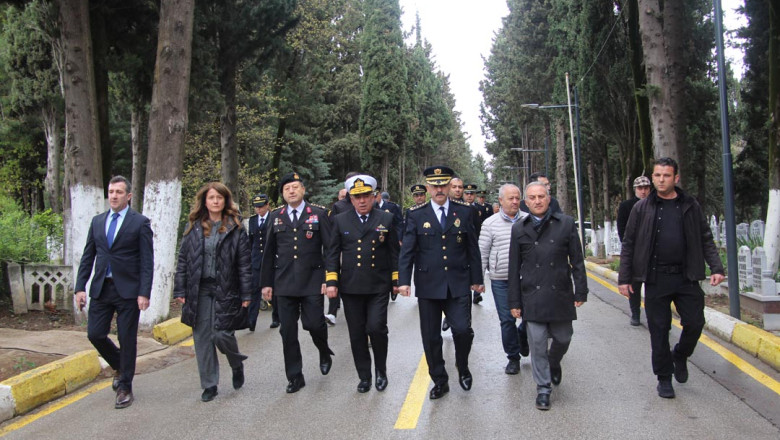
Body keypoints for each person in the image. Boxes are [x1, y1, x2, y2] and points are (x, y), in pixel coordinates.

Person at [618, 157, 724, 399]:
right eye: (657, 175)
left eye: (666, 175)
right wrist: (625, 279)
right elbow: (629, 244)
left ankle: (681, 355)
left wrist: (716, 267)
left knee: (695, 323)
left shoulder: (690, 205)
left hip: (686, 277)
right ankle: (664, 378)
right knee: (659, 329)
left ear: (676, 178)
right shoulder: (641, 208)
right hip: (656, 279)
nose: (661, 180)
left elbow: (705, 237)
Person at [398, 165, 484, 400]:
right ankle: (439, 379)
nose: (438, 189)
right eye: (434, 186)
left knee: (462, 330)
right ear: (427, 188)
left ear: (449, 186)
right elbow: (407, 251)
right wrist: (403, 280)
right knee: (431, 336)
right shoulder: (416, 215)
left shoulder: (465, 212)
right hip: (428, 285)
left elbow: (472, 248)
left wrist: (477, 279)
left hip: (458, 282)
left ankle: (463, 366)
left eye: (442, 185)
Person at [508, 181, 588, 411]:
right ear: (526, 201)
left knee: (563, 338)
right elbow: (514, 269)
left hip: (560, 292)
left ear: (548, 198)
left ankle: (554, 363)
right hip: (532, 295)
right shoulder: (519, 228)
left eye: (541, 196)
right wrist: (514, 302)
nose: (537, 201)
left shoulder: (565, 224)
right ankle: (543, 388)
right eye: (532, 197)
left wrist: (580, 290)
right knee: (537, 344)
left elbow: (577, 261)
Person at [75, 175, 153, 409]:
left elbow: (147, 261)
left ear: (128, 196)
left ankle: (125, 387)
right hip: (101, 288)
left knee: (127, 338)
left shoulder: (139, 222)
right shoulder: (98, 221)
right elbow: (88, 256)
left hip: (129, 290)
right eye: (111, 192)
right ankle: (122, 364)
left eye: (119, 192)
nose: (114, 196)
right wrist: (80, 287)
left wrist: (144, 292)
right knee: (95, 334)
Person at [173, 182, 252, 402]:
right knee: (202, 338)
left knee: (222, 334)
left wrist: (247, 294)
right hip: (199, 289)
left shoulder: (235, 227)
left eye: (219, 197)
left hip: (226, 288)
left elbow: (244, 264)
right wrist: (180, 288)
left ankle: (236, 363)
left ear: (225, 200)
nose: (215, 201)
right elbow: (183, 260)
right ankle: (209, 384)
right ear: (204, 201)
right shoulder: (194, 226)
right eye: (211, 198)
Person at [261, 172, 335, 393]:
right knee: (288, 332)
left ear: (303, 190)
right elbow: (268, 252)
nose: (291, 191)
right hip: (283, 283)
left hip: (312, 280)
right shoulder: (276, 217)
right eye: (287, 189)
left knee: (314, 324)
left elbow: (330, 250)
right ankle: (295, 376)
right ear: (283, 194)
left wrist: (328, 277)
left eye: (295, 187)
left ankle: (323, 350)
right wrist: (266, 283)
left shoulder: (319, 214)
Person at [325, 174, 400, 393]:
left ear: (374, 196)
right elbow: (332, 253)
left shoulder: (385, 219)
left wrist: (396, 280)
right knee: (357, 333)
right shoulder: (340, 220)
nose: (362, 201)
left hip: (378, 285)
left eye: (366, 196)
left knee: (376, 328)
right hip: (351, 286)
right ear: (350, 198)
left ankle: (381, 371)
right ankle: (364, 376)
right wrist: (332, 281)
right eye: (357, 197)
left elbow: (394, 251)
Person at [478, 184, 530, 375]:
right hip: (501, 279)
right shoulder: (489, 224)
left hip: (527, 279)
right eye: (511, 198)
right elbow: (482, 253)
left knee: (530, 318)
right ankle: (513, 357)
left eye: (518, 198)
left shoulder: (529, 220)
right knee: (507, 320)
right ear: (500, 201)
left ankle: (522, 336)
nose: (515, 202)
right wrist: (479, 279)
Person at [616, 175, 653, 326]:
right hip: (634, 252)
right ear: (635, 189)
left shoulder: (656, 205)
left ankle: (654, 316)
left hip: (651, 253)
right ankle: (635, 313)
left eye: (646, 188)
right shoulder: (626, 206)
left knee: (653, 288)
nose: (643, 191)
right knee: (634, 286)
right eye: (640, 188)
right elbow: (622, 229)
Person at [327, 171, 362, 324]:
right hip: (343, 248)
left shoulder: (365, 201)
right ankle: (332, 312)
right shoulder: (339, 206)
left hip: (361, 250)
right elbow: (332, 229)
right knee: (336, 277)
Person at [248, 193, 277, 330]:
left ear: (267, 205)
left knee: (273, 290)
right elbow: (251, 241)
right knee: (254, 290)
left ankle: (276, 318)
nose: (258, 210)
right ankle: (251, 321)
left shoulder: (273, 218)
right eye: (256, 207)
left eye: (261, 206)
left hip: (270, 259)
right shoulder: (252, 220)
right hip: (256, 260)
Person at [464, 183, 485, 305]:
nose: (469, 196)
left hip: (474, 243)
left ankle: (476, 293)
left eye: (472, 193)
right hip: (461, 245)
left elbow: (478, 228)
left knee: (476, 267)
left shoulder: (476, 209)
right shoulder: (458, 207)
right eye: (467, 193)